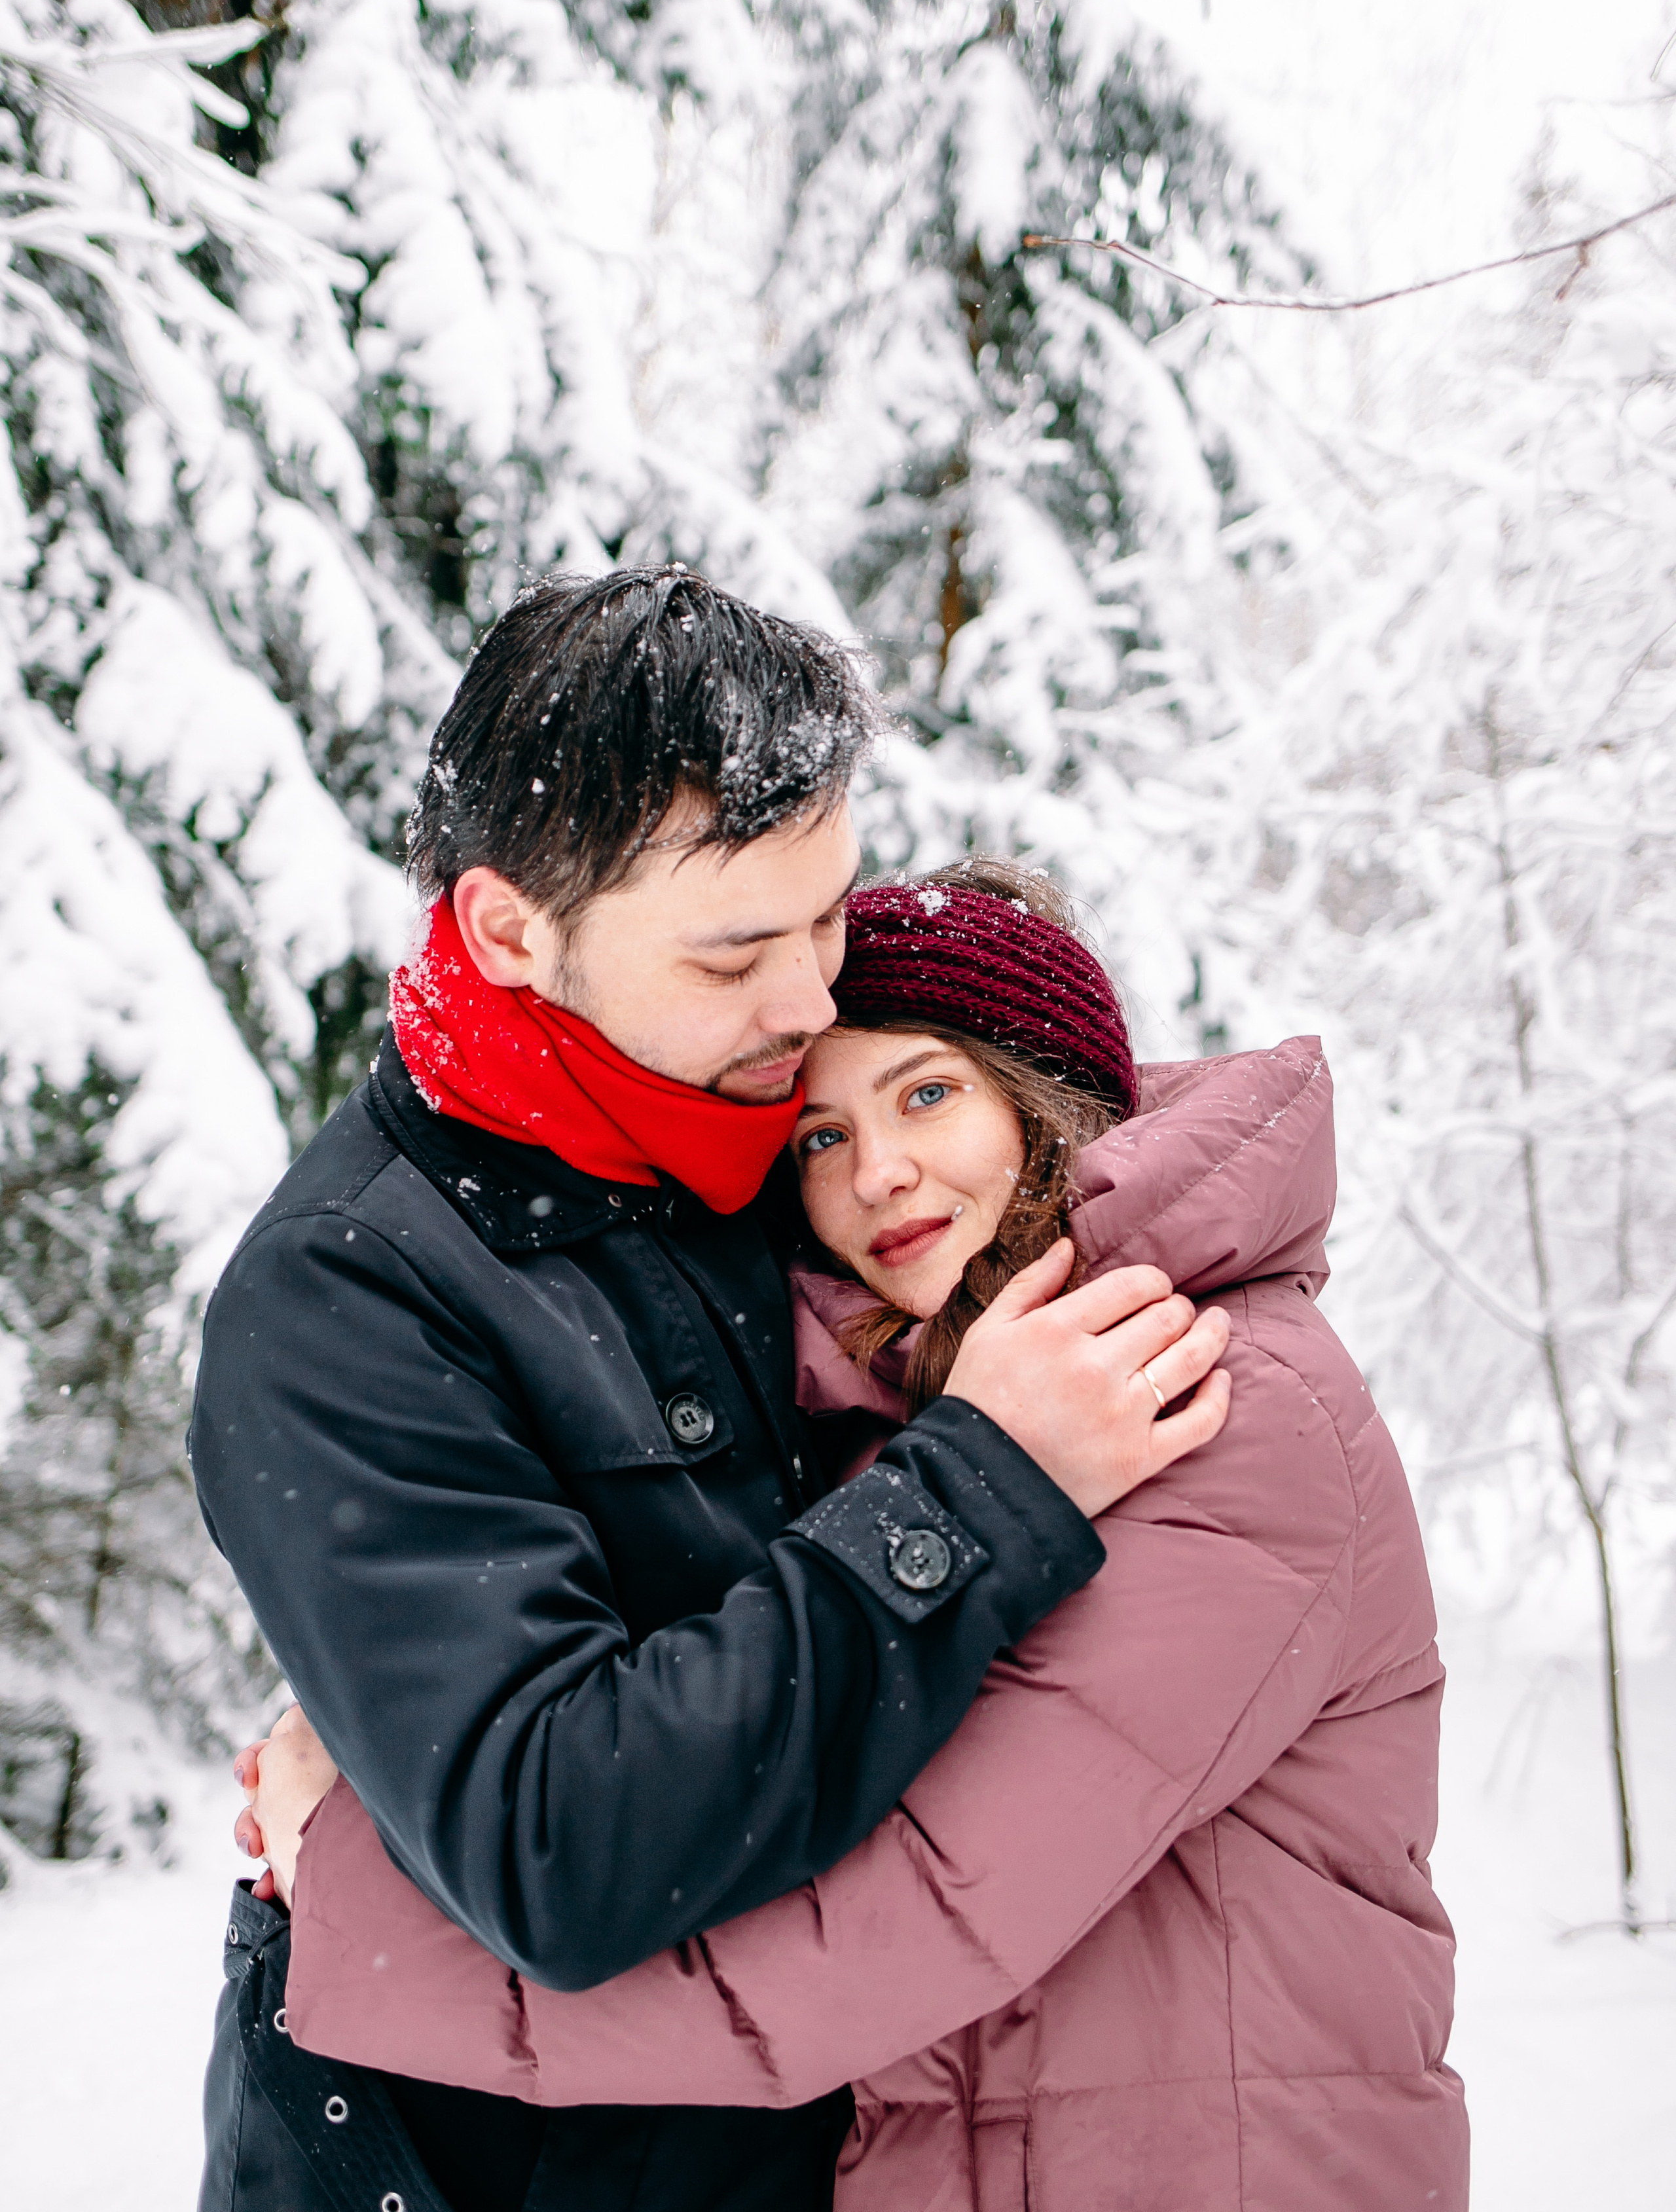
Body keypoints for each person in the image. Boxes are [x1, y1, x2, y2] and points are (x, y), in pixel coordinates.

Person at [189, 573, 1231, 2212]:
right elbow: (561, 1844)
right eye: (740, 950)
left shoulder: (774, 1151)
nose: (812, 1003)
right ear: (511, 931)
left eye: (826, 918)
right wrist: (982, 1490)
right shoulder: (347, 1297)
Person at [242, 863, 1468, 2212]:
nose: (877, 1174)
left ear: (1049, 1098)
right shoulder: (929, 1421)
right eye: (818, 1138)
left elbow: (879, 1934)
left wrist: (353, 1912)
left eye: (926, 1094)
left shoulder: (1211, 1407)